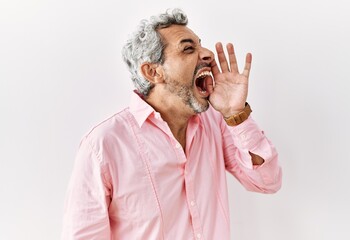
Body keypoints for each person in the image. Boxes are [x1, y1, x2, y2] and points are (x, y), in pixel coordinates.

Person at [61, 8, 282, 240]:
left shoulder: (215, 122)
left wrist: (236, 114)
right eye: (188, 48)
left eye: (200, 45)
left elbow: (267, 181)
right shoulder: (103, 145)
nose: (207, 54)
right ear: (153, 72)